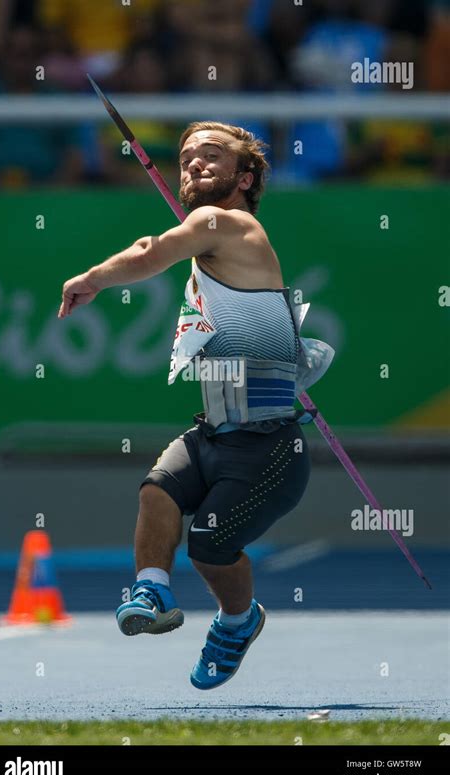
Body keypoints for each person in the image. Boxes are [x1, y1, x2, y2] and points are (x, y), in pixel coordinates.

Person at [58, 122, 333, 690]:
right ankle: (152, 587)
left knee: (210, 548)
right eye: (186, 159)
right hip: (213, 434)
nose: (194, 165)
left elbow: (147, 252)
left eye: (212, 156)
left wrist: (90, 280)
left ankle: (238, 621)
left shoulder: (228, 224)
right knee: (158, 492)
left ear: (245, 176)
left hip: (268, 448)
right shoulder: (208, 243)